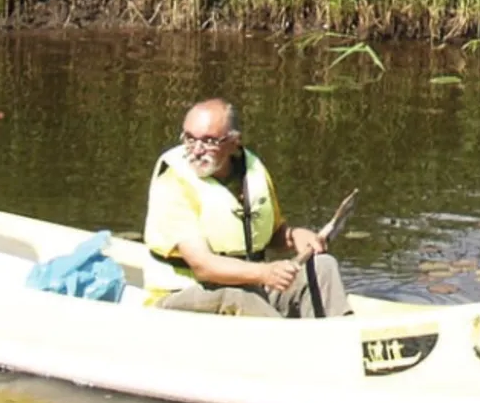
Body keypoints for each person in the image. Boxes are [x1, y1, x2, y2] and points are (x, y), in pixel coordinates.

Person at [143, 98, 349, 317]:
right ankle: (288, 344)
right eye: (190, 139)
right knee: (237, 295)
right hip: (178, 297)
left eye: (209, 141)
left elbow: (268, 233)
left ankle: (342, 338)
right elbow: (203, 267)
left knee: (322, 267)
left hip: (251, 287)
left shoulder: (252, 171)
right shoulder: (173, 182)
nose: (196, 150)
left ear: (234, 142)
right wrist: (265, 272)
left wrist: (294, 236)